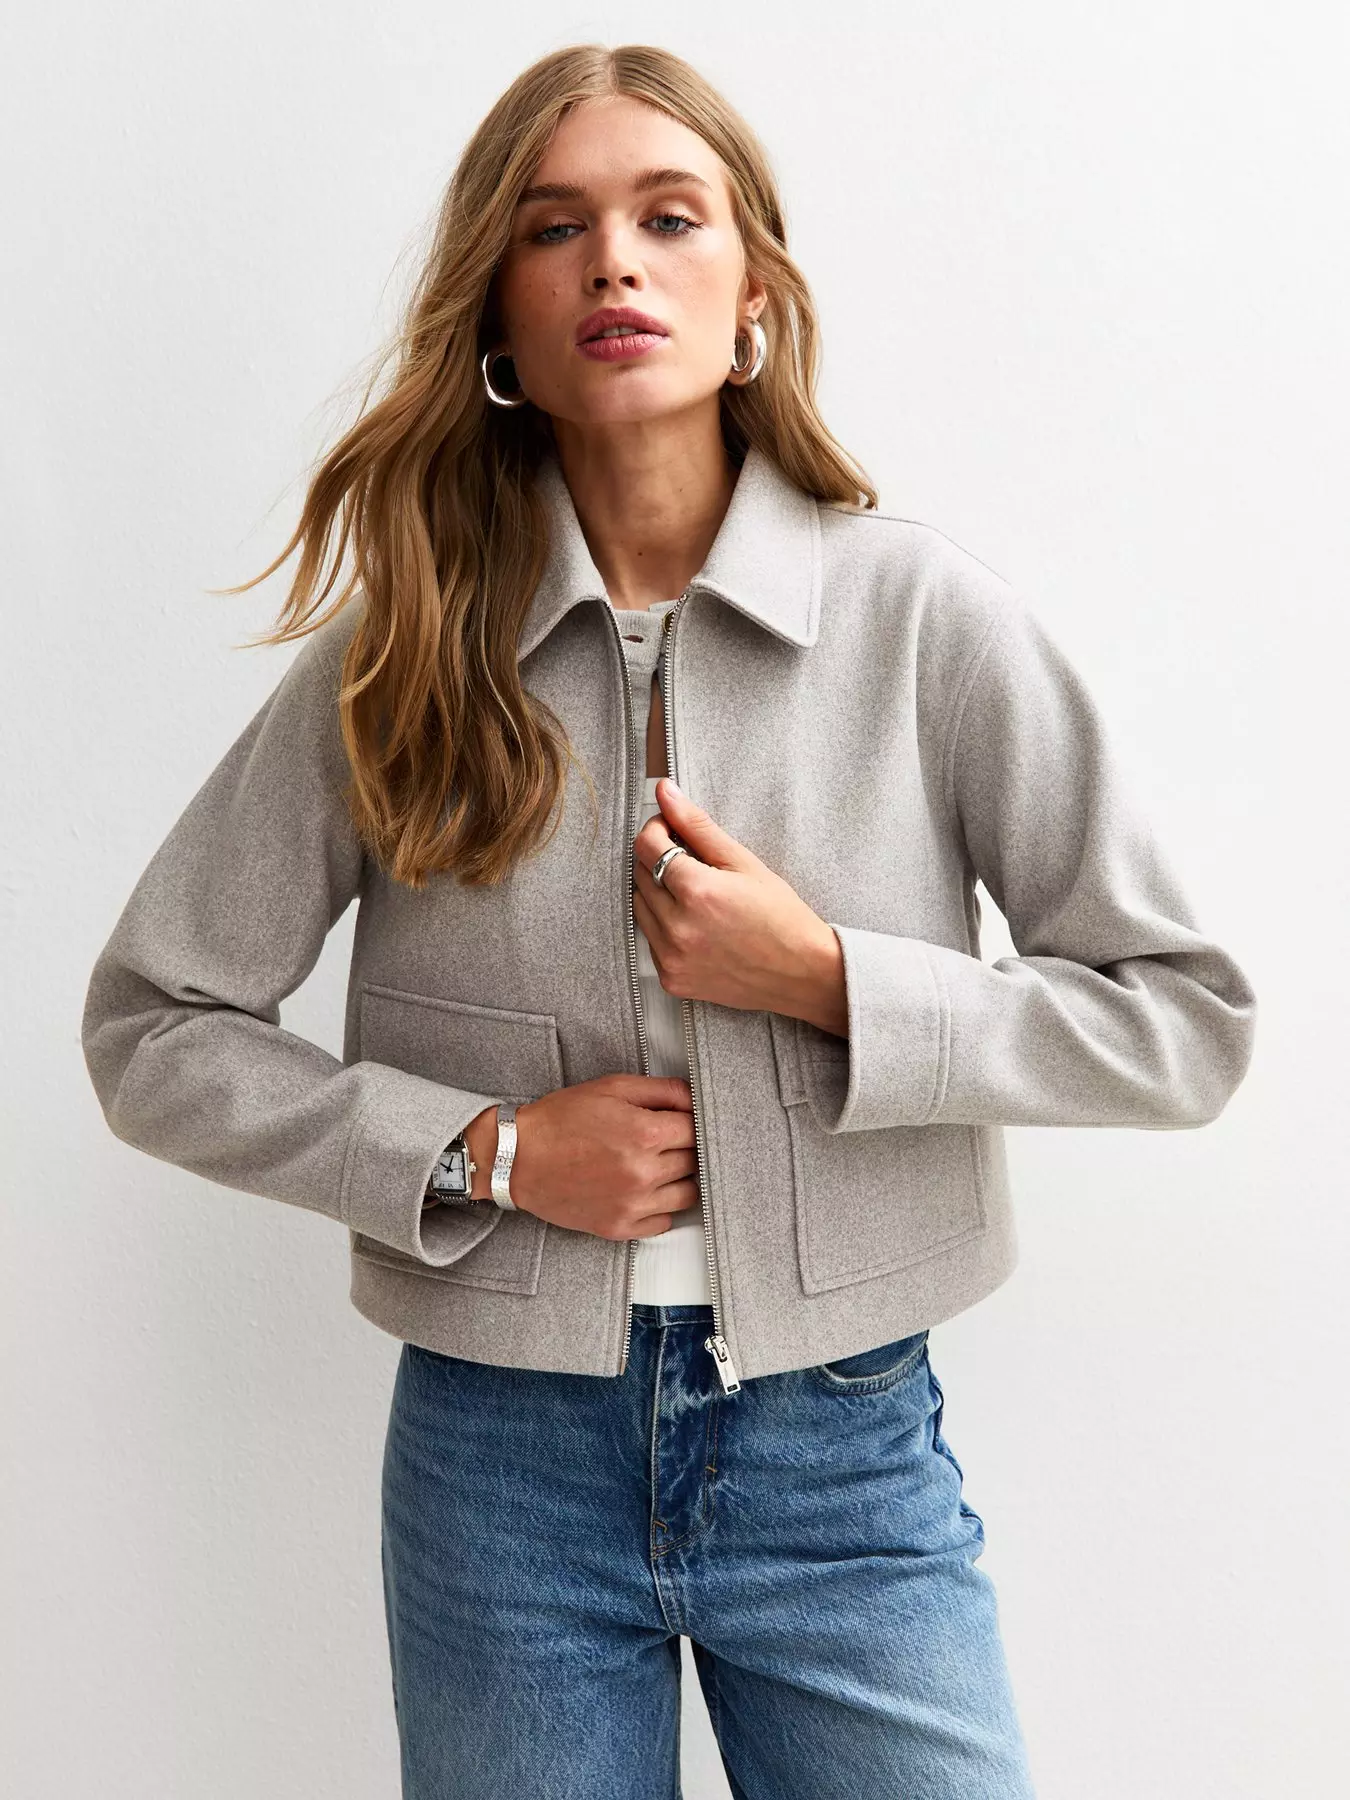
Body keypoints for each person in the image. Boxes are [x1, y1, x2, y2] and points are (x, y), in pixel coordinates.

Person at [81, 43, 1258, 1800]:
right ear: (499, 312)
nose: (613, 263)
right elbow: (152, 1028)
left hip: (842, 1446)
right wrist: (484, 1153)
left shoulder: (919, 622)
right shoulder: (403, 654)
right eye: (554, 228)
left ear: (753, 296)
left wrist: (830, 981)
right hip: (497, 1465)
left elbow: (1184, 1023)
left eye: (667, 217)